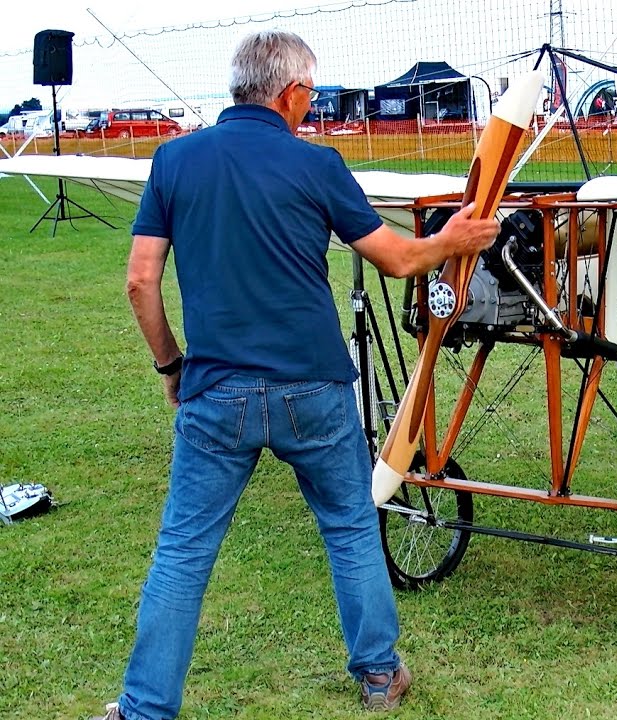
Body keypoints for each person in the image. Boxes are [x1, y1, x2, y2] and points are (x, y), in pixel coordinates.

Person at [94, 30, 501, 720]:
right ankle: (378, 675)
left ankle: (143, 708)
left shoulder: (173, 159)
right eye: (311, 91)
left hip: (214, 390)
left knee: (184, 552)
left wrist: (171, 365)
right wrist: (450, 241)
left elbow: (140, 281)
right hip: (313, 387)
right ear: (292, 93)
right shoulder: (318, 164)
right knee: (347, 526)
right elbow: (400, 261)